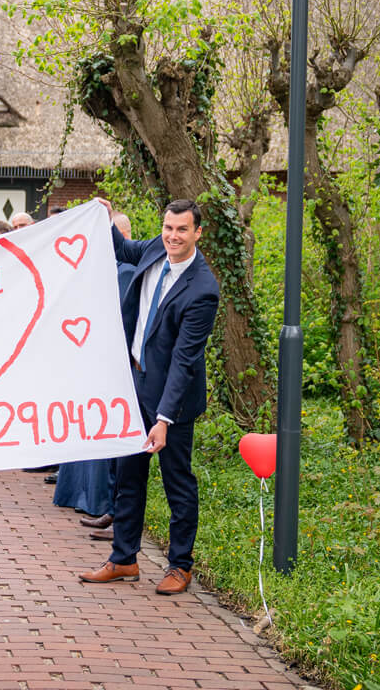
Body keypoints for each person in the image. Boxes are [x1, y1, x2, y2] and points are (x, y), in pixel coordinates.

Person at [78, 198, 219, 596]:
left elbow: (184, 361)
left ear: (197, 233)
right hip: (133, 384)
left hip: (173, 401)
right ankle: (123, 558)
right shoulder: (156, 247)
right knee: (128, 477)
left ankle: (180, 566)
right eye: (168, 228)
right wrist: (104, 218)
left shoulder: (203, 290)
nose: (173, 236)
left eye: (182, 230)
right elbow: (123, 249)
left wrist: (164, 419)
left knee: (177, 483)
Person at [62, 212, 137, 534]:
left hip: (120, 367)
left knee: (116, 443)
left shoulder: (127, 272)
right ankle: (104, 504)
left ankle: (113, 508)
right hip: (98, 362)